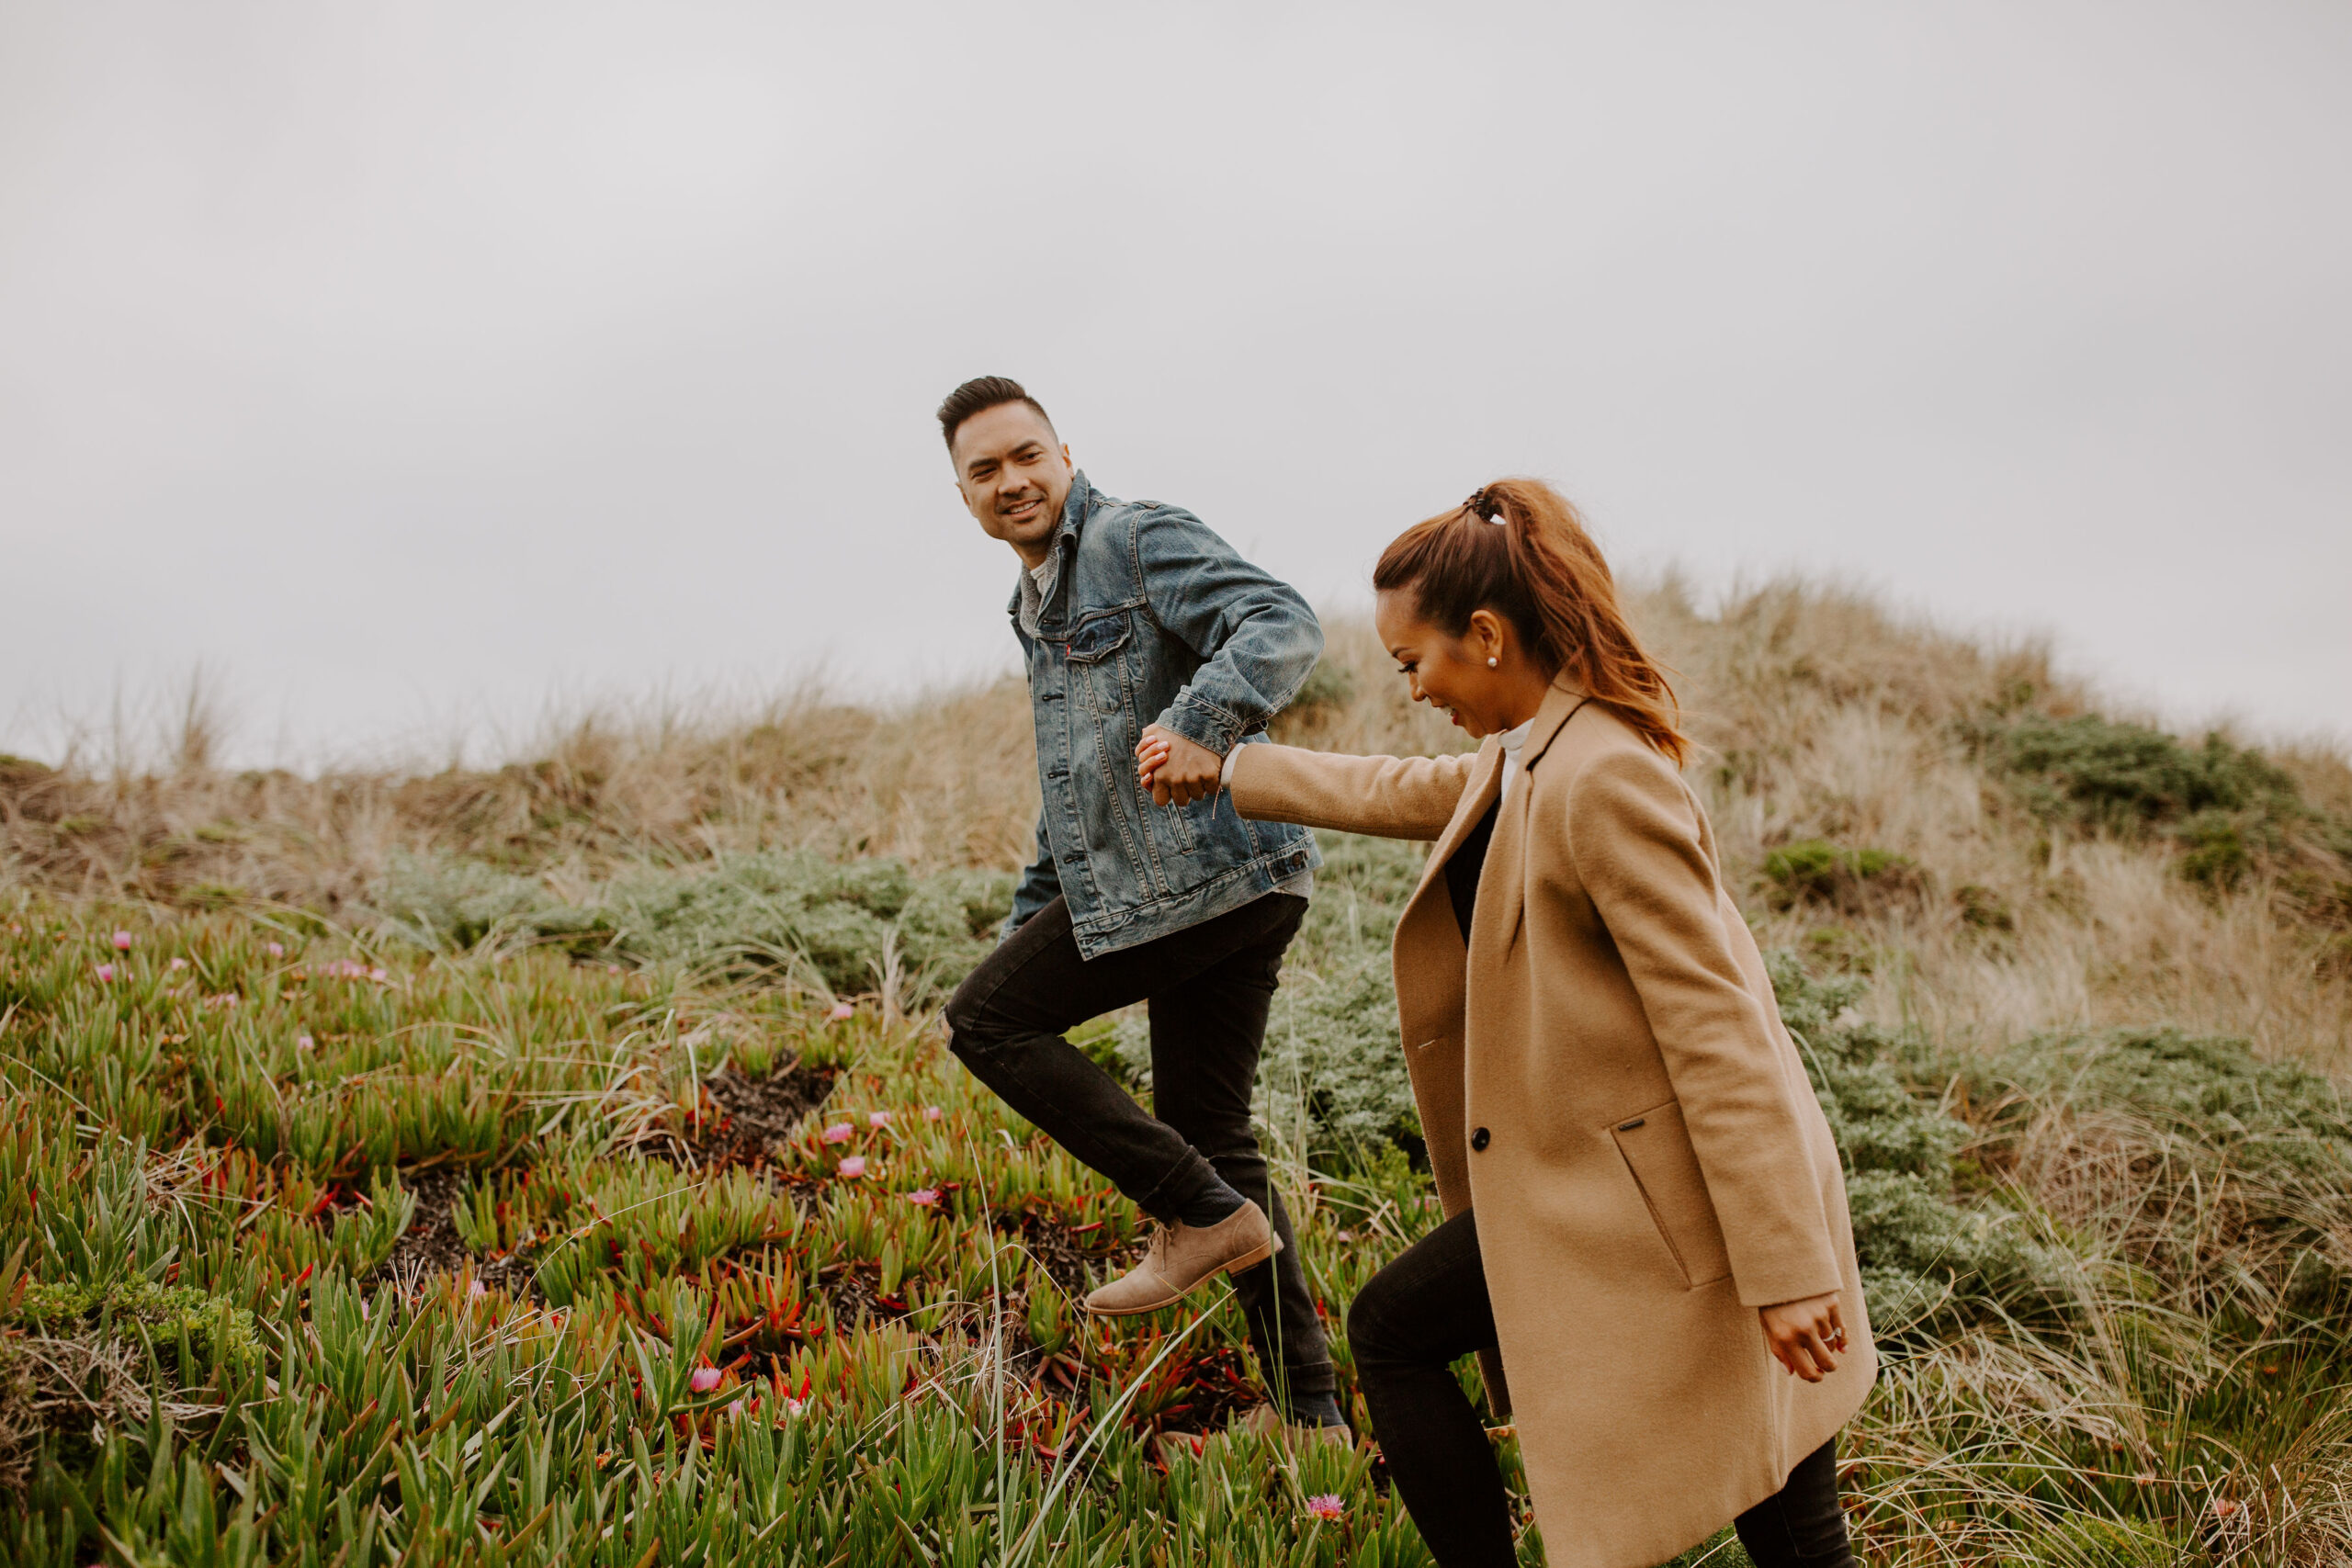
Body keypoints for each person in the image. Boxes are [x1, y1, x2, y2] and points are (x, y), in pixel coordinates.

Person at [1137, 478, 1875, 1567]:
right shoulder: (1534, 748)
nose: (1414, 688)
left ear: (1484, 635)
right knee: (1773, 1484)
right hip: (1619, 1191)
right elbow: (1412, 786)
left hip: (1676, 1207)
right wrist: (1235, 770)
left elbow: (1722, 1035)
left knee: (1778, 1491)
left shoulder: (1604, 778)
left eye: (1414, 661)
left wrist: (1789, 1268)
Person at [935, 376, 1348, 1441]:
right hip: (1227, 885)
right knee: (1213, 1130)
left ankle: (1199, 1216)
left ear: (1064, 454)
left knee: (986, 1022)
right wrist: (1027, 921)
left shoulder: (1132, 537)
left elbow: (1280, 620)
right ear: (963, 495)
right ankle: (1311, 1414)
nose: (1010, 481)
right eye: (983, 471)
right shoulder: (1035, 602)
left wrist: (1206, 721)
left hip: (1204, 875)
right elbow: (1070, 791)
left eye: (1026, 456)